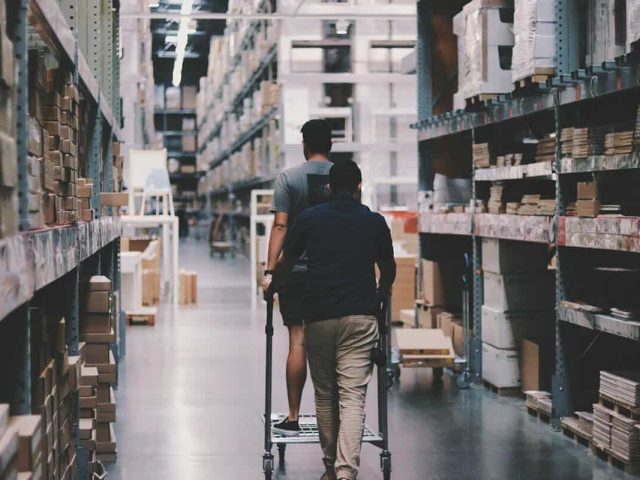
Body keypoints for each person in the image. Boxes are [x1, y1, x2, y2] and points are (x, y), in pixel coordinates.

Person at [269, 160, 396, 480]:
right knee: (353, 397)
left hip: (320, 316)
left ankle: (330, 468)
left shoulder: (310, 219)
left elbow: (287, 262)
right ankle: (344, 473)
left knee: (325, 396)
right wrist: (381, 294)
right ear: (359, 186)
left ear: (328, 187)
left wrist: (272, 283)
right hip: (361, 317)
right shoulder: (375, 222)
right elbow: (389, 267)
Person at [262, 119, 334, 435]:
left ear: (304, 144)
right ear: (330, 144)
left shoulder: (289, 178)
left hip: (294, 272)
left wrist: (269, 271)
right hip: (332, 272)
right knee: (332, 342)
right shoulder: (344, 177)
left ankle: (293, 417)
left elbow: (280, 226)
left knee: (298, 340)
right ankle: (331, 416)